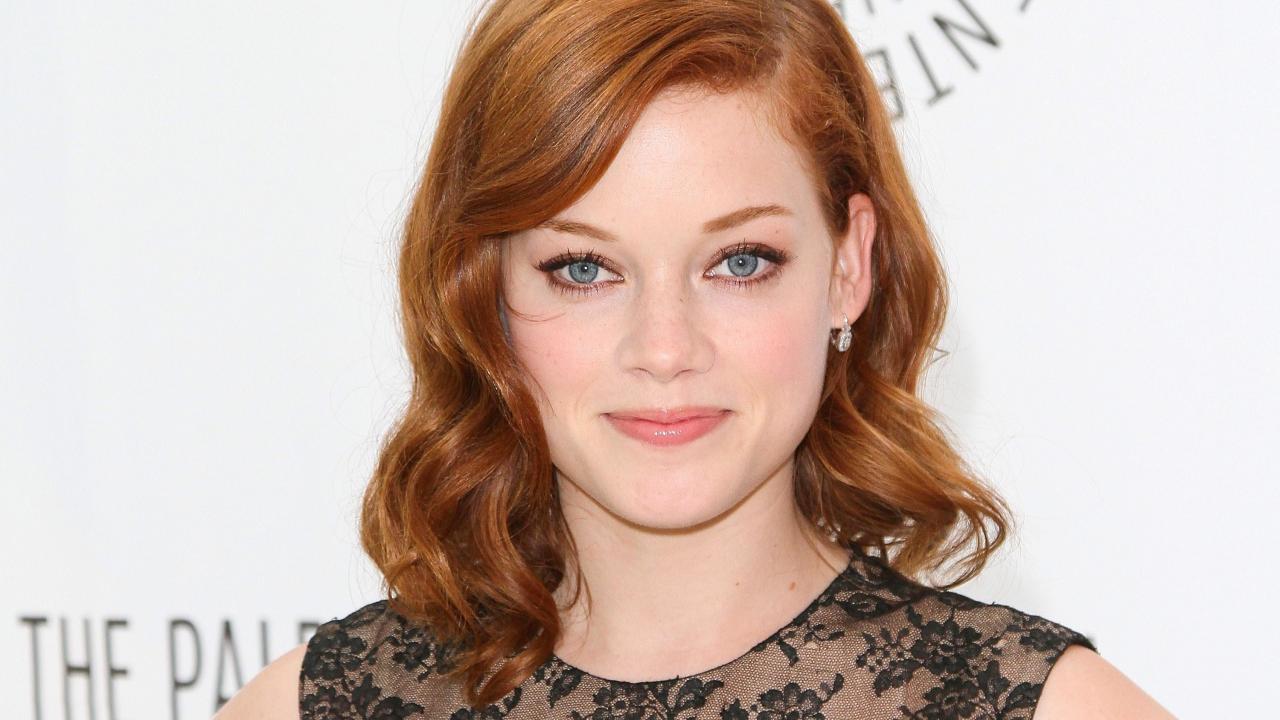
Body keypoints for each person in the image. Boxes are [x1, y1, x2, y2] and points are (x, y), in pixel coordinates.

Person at [217, 0, 1174, 717]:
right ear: (480, 289)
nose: (665, 349)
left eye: (740, 262)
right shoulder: (312, 707)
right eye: (583, 268)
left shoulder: (1050, 709)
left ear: (850, 268)